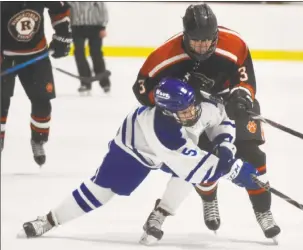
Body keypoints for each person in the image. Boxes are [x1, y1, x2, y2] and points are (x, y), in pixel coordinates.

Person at [19, 77, 261, 240]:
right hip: (134, 151)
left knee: (185, 176)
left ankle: (160, 215)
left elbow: (221, 119)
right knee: (100, 192)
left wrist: (226, 148)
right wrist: (233, 170)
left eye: (192, 106)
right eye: (184, 111)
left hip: (174, 154)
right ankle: (50, 220)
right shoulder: (163, 130)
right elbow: (196, 168)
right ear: (168, 112)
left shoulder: (197, 104)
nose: (192, 113)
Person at [132, 3, 280, 243]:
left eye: (208, 40)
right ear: (185, 36)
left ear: (216, 35)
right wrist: (175, 99)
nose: (202, 46)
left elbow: (246, 78)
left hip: (230, 106)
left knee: (253, 156)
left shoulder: (235, 44)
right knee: (205, 160)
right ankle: (209, 198)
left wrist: (241, 96)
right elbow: (141, 90)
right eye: (196, 41)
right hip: (194, 112)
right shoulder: (164, 55)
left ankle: (263, 209)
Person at [1, 2, 72, 166]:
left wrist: (62, 36)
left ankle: (38, 140)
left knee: (42, 101)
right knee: (1, 100)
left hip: (36, 55)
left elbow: (60, 9)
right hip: (5, 56)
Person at [68, 2, 110, 94]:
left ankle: (104, 82)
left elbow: (102, 8)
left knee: (96, 53)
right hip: (76, 27)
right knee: (79, 53)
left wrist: (103, 27)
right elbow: (66, 9)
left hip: (95, 27)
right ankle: (85, 83)